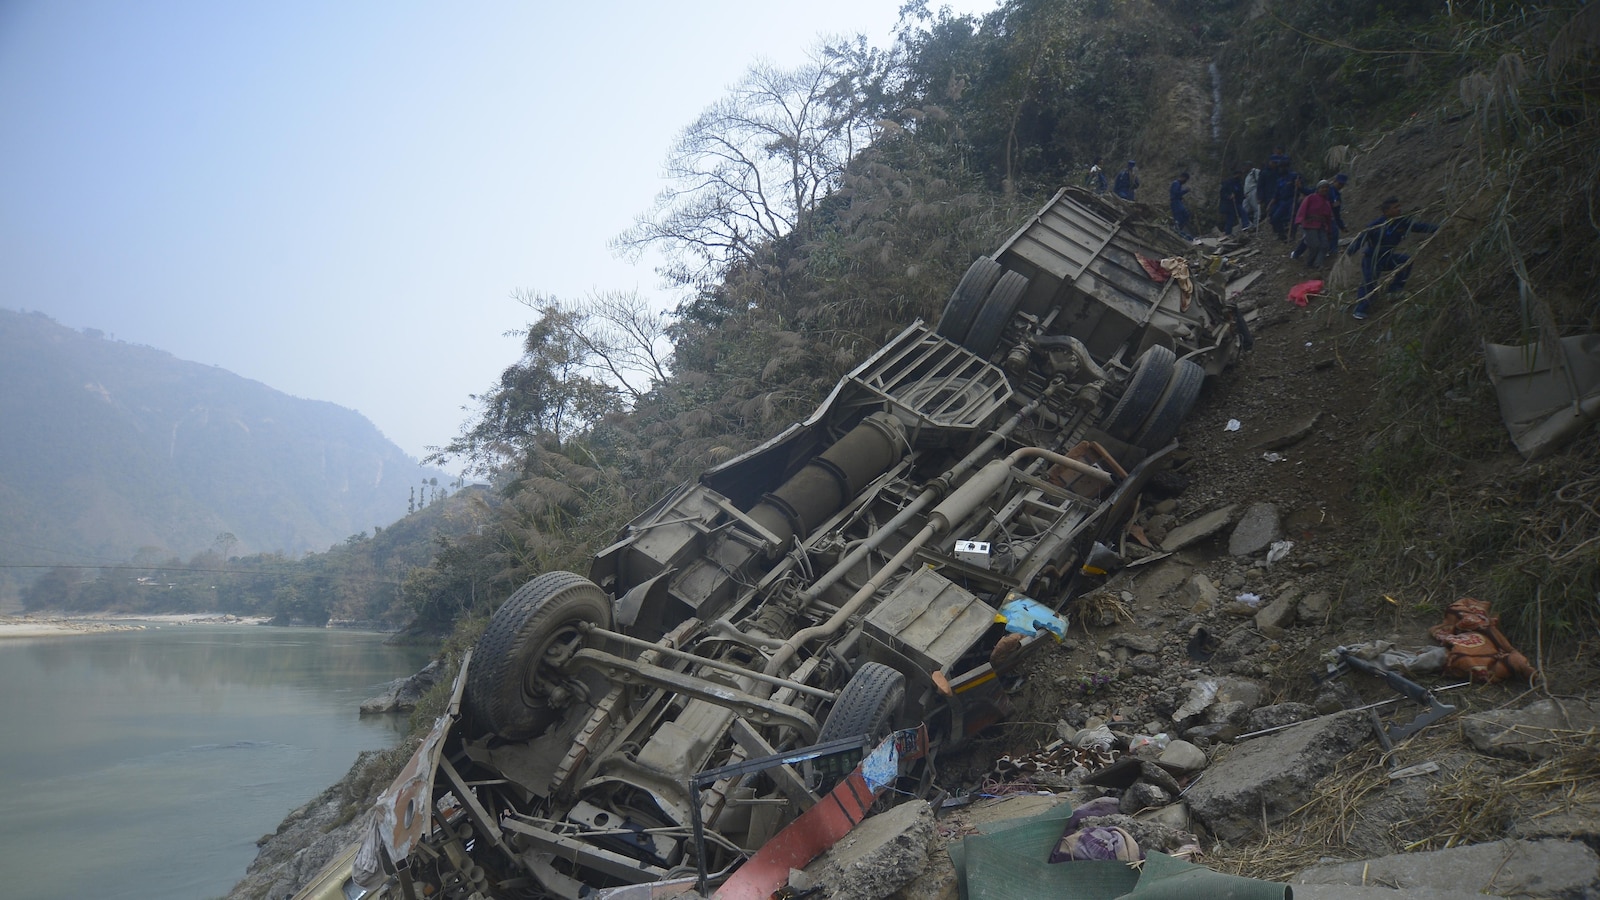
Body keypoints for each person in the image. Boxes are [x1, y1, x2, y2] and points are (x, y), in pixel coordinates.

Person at [1347, 197, 1439, 319]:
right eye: (1395, 207)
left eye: (1399, 206)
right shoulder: (1375, 226)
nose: (1399, 209)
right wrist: (1349, 252)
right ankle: (1360, 309)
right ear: (1386, 211)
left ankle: (1395, 289)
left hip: (1388, 257)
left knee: (1405, 261)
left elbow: (1418, 226)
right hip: (1372, 260)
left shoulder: (1401, 222)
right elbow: (1361, 239)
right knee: (1369, 282)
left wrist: (1437, 228)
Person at [1294, 180, 1336, 268]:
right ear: (1318, 189)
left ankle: (1318, 264)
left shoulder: (1327, 203)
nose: (1324, 189)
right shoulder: (1310, 198)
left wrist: (1329, 231)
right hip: (1310, 224)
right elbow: (1302, 209)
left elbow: (1328, 218)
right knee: (1314, 245)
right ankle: (1310, 263)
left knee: (1324, 246)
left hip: (1321, 226)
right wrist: (1299, 221)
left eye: (1326, 188)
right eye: (1322, 187)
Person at [1267, 170, 1301, 241]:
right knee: (1275, 217)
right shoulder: (1279, 180)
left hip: (1292, 199)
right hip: (1282, 201)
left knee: (1292, 217)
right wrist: (1270, 204)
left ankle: (1291, 235)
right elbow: (1276, 194)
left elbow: (1301, 187)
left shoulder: (1293, 176)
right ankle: (1281, 234)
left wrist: (1300, 194)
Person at [1219, 170, 1245, 236]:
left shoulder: (1238, 183)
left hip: (1235, 204)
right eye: (1238, 174)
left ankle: (1229, 232)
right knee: (1230, 218)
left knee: (1233, 218)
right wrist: (1229, 196)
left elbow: (1239, 192)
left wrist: (1243, 196)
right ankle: (1228, 233)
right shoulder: (1228, 182)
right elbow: (1222, 193)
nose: (1239, 176)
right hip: (1228, 204)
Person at [1169, 172, 1193, 238]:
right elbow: (1176, 194)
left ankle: (1179, 230)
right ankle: (1177, 231)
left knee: (1185, 215)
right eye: (1185, 179)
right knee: (1180, 216)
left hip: (1177, 202)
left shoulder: (1178, 184)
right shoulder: (1176, 183)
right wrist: (1185, 191)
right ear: (1183, 177)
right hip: (1175, 203)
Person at [1241, 164, 1261, 230]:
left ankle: (1256, 224)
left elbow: (1259, 182)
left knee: (1256, 208)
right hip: (1247, 194)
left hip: (1253, 191)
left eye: (1246, 166)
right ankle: (1247, 224)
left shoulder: (1255, 171)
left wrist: (1258, 192)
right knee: (1243, 210)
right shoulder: (1247, 174)